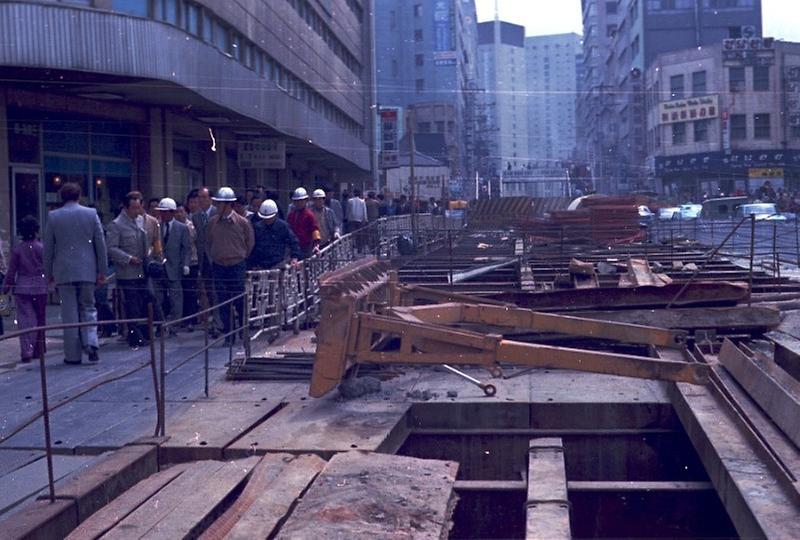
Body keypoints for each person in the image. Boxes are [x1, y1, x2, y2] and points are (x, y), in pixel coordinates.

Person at [43, 182, 108, 364]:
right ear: (79, 196)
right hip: (87, 269)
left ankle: (72, 355)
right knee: (88, 306)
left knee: (69, 312)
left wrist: (48, 274)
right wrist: (102, 270)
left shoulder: (54, 216)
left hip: (64, 271)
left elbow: (48, 248)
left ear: (61, 197)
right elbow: (100, 244)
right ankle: (92, 343)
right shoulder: (91, 214)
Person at [207, 186, 254, 346]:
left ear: (228, 204)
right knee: (223, 302)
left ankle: (242, 330)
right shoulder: (212, 222)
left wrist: (241, 256)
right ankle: (229, 334)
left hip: (236, 265)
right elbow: (208, 242)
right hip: (219, 266)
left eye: (220, 204)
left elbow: (250, 242)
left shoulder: (242, 222)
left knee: (239, 300)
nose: (217, 206)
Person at [107, 191, 150, 347]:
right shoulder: (116, 225)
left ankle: (144, 332)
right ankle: (134, 336)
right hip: (127, 273)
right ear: (126, 208)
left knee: (143, 303)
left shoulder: (139, 221)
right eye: (134, 208)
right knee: (131, 306)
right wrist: (128, 258)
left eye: (139, 208)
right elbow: (111, 248)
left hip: (141, 271)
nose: (137, 211)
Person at [2, 216, 47, 363]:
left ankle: (26, 350)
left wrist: (6, 286)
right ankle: (38, 350)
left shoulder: (18, 249)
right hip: (40, 286)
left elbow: (11, 271)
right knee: (40, 319)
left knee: (25, 320)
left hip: (22, 287)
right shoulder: (42, 248)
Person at [154, 197, 191, 330]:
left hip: (174, 267)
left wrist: (186, 264)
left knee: (176, 296)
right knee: (158, 297)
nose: (162, 214)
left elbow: (186, 248)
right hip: (159, 267)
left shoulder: (182, 228)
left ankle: (175, 323)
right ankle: (160, 323)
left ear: (172, 212)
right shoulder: (156, 226)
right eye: (161, 211)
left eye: (165, 212)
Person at [191, 186, 220, 336]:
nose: (201, 200)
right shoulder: (195, 216)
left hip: (217, 258)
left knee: (218, 292)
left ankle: (219, 323)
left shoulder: (217, 213)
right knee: (209, 292)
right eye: (199, 197)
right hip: (204, 260)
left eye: (203, 197)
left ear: (210, 199)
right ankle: (215, 322)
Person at [248, 200, 303, 269]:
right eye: (265, 218)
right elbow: (250, 245)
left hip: (278, 265)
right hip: (259, 265)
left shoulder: (283, 226)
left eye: (269, 218)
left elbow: (293, 242)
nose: (267, 220)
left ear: (275, 214)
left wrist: (295, 257)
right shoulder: (256, 227)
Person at [176, 202, 199, 331]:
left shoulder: (190, 226)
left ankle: (191, 318)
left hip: (192, 262)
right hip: (178, 264)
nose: (179, 214)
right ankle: (184, 317)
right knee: (182, 292)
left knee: (190, 292)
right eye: (177, 212)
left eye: (181, 211)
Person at [287, 187, 321, 259]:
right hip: (293, 247)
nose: (298, 203)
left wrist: (316, 245)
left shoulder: (309, 215)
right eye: (296, 201)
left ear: (306, 201)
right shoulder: (291, 215)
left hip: (306, 247)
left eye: (301, 201)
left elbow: (315, 229)